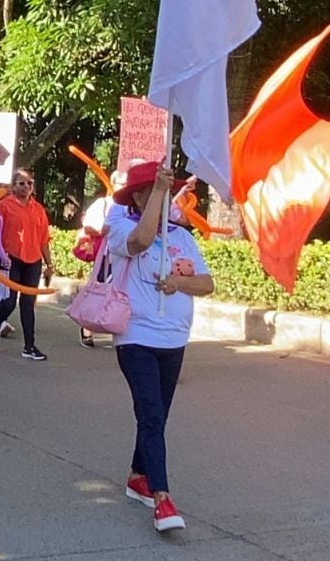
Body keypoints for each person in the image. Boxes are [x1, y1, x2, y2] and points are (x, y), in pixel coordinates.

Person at [106, 161, 214, 532]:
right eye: (154, 192)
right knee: (152, 415)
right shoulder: (121, 227)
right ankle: (163, 499)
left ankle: (139, 474)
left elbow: (207, 284)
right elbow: (140, 241)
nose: (165, 198)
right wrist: (156, 194)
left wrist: (178, 284)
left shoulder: (183, 237)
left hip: (174, 340)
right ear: (138, 197)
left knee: (157, 416)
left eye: (167, 193)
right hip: (136, 337)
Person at [0, 168, 54, 360]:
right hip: (12, 259)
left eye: (29, 183)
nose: (26, 187)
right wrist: (0, 254)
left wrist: (49, 264)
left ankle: (29, 346)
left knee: (28, 303)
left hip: (33, 260)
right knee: (8, 303)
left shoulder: (38, 209)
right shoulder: (4, 206)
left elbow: (44, 240)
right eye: (21, 183)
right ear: (13, 186)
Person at [78, 170, 126, 347]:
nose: (124, 186)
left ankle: (115, 329)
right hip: (106, 255)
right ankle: (87, 328)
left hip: (124, 255)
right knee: (98, 290)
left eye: (127, 182)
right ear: (113, 184)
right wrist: (107, 229)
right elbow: (90, 224)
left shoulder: (132, 205)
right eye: (121, 183)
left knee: (120, 293)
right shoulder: (104, 204)